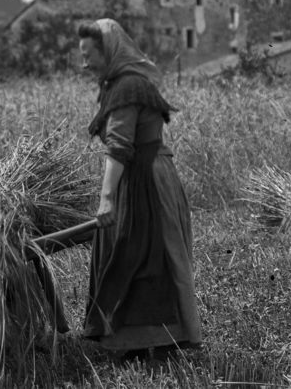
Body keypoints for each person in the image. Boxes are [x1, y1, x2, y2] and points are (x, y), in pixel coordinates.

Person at [76, 18, 202, 362]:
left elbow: (119, 146)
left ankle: (160, 341)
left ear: (109, 50)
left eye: (89, 55)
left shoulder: (128, 87)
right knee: (131, 252)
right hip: (139, 177)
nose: (84, 63)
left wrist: (106, 199)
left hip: (144, 181)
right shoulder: (119, 84)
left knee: (144, 254)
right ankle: (134, 340)